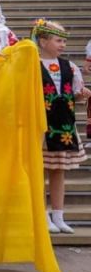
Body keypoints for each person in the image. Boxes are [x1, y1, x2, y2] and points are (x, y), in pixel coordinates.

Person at [31, 19, 90, 234]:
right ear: (43, 41)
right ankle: (42, 214)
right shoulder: (32, 65)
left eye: (64, 41)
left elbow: (75, 94)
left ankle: (59, 215)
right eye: (58, 40)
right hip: (42, 126)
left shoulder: (69, 66)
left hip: (64, 125)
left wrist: (81, 95)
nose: (62, 45)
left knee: (59, 171)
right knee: (40, 171)